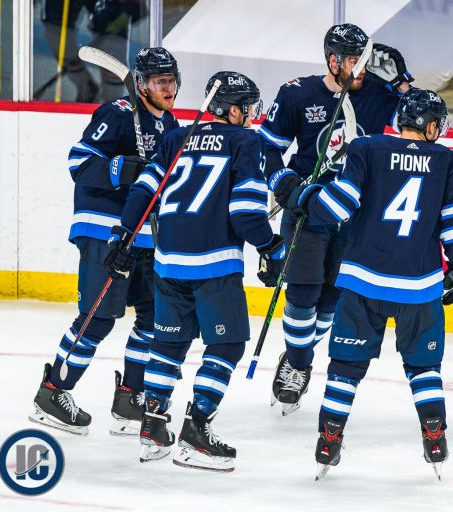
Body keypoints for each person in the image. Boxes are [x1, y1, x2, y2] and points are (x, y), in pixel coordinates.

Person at [285, 89, 453, 479]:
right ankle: (434, 433)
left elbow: (336, 207)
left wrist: (302, 197)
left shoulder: (367, 148)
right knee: (424, 367)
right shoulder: (450, 162)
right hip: (419, 287)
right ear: (429, 125)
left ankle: (329, 437)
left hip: (363, 282)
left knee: (345, 367)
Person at [106, 71, 285, 472]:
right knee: (227, 344)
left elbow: (144, 191)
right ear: (232, 110)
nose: (251, 114)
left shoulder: (176, 138)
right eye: (247, 107)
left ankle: (153, 427)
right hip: (213, 262)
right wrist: (271, 247)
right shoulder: (246, 142)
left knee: (168, 344)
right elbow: (245, 212)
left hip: (168, 260)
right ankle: (196, 430)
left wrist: (123, 235)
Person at [259, 22, 414, 416]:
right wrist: (283, 182)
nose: (361, 68)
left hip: (357, 214)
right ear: (333, 60)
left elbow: (423, 125)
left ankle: (300, 353)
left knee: (333, 297)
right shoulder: (297, 94)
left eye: (365, 60)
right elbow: (266, 149)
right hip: (309, 209)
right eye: (353, 60)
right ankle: (298, 363)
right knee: (303, 293)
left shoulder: (380, 93)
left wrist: (402, 84)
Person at [29, 47, 181, 437]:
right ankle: (53, 392)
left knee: (153, 317)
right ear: (142, 84)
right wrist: (121, 168)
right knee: (98, 318)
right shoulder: (117, 113)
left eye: (172, 80)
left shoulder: (170, 125)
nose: (169, 88)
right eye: (160, 82)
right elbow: (78, 162)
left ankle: (130, 396)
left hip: (145, 236)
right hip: (103, 229)